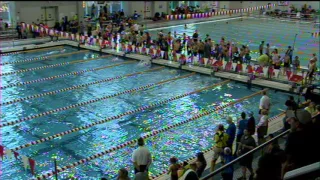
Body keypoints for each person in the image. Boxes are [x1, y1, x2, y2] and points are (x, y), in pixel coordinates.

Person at [282, 110, 315, 178]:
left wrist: (282, 176)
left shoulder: (292, 137)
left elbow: (286, 163)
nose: (288, 120)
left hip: (301, 173)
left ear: (297, 124)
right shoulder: (315, 130)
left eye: (291, 119)